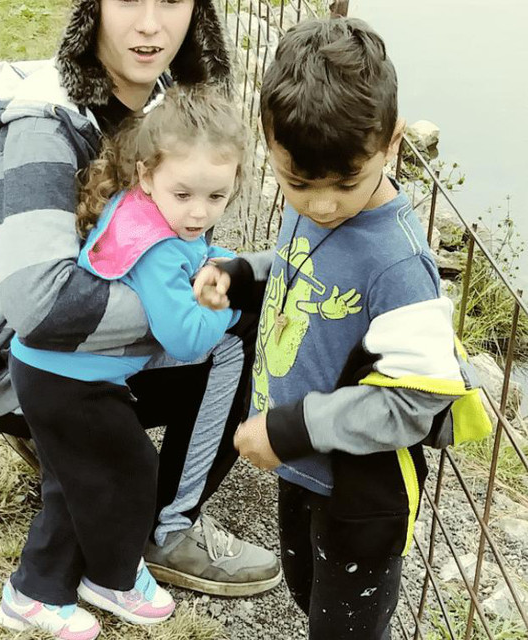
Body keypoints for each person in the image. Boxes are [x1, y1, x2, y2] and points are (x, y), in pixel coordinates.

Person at [0, 0, 279, 614]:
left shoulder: (165, 102)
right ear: (91, 8)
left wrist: (240, 271)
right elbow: (39, 307)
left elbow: (174, 248)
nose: (150, 25)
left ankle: (92, 473)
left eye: (171, 0)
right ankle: (163, 529)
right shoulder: (42, 126)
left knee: (244, 297)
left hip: (62, 352)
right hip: (7, 363)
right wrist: (207, 301)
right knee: (235, 331)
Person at [195, 17, 491, 639]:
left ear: (392, 142)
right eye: (297, 184)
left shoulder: (399, 266)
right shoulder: (319, 206)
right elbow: (307, 269)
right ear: (268, 142)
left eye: (347, 183)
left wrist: (291, 428)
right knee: (308, 595)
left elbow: (415, 400)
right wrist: (243, 276)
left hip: (360, 497)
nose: (323, 205)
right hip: (303, 466)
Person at [0, 86, 249, 638]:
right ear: (146, 174)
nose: (199, 212)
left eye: (217, 196)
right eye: (184, 194)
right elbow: (187, 339)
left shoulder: (147, 210)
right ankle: (55, 591)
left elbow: (198, 252)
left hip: (53, 370)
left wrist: (219, 260)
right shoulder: (157, 249)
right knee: (123, 474)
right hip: (70, 381)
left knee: (81, 483)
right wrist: (231, 305)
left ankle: (83, 582)